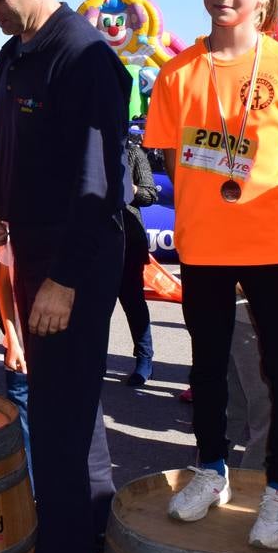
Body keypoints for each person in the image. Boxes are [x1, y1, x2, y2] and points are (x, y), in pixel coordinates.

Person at [144, 0, 278, 549]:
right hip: (204, 248)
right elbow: (171, 160)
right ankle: (212, 468)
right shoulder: (175, 74)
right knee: (209, 366)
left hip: (272, 246)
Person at [0, 0, 128, 553]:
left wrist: (63, 283)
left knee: (60, 428)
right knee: (75, 414)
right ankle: (94, 537)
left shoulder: (86, 56)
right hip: (33, 255)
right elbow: (4, 144)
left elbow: (102, 185)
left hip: (75, 263)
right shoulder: (15, 54)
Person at [121, 133, 157, 387]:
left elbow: (150, 194)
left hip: (128, 241)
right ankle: (95, 360)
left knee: (134, 304)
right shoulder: (87, 150)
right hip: (94, 242)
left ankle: (145, 360)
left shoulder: (134, 153)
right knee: (95, 310)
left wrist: (130, 187)